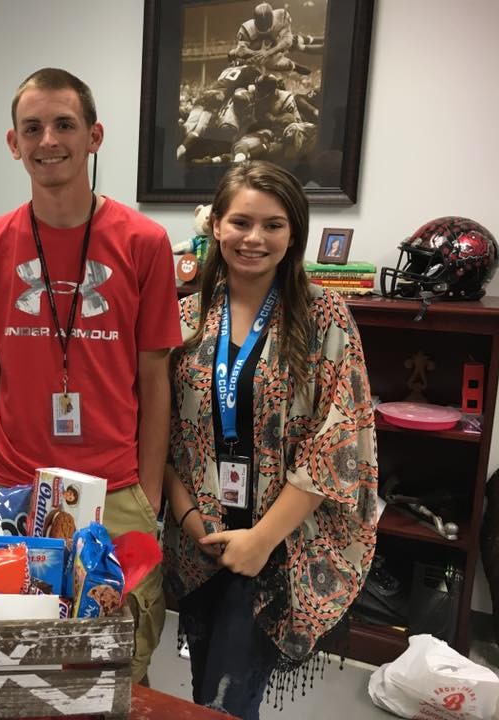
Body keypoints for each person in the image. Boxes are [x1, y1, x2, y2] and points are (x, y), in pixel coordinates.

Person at [0, 68, 182, 683]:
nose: (49, 140)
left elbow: (155, 379)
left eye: (64, 124)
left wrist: (148, 495)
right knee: (9, 665)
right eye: (32, 128)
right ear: (14, 143)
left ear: (94, 136)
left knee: (117, 666)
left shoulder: (144, 242)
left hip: (116, 489)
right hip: (12, 487)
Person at [162, 161, 378, 718]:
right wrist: (190, 519)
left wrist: (260, 539)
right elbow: (163, 433)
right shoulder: (186, 316)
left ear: (294, 233)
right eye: (241, 222)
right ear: (216, 225)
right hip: (201, 542)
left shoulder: (323, 316)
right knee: (206, 687)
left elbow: (339, 441)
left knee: (228, 698)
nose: (254, 238)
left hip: (280, 544)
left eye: (273, 225)